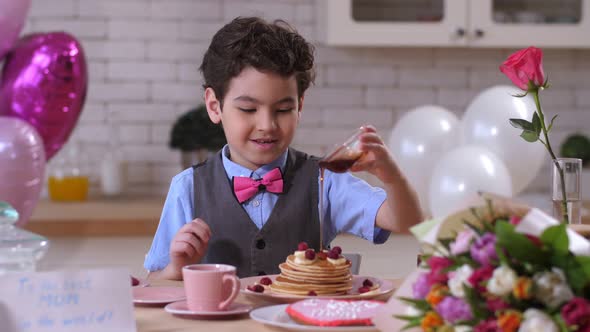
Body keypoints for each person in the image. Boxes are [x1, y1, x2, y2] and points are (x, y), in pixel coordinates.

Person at [144, 17, 422, 280]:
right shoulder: (187, 187)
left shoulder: (325, 180)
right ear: (215, 106)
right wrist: (175, 269)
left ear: (300, 106)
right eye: (248, 109)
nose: (266, 125)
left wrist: (392, 178)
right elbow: (152, 283)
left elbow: (406, 222)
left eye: (283, 109)